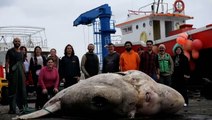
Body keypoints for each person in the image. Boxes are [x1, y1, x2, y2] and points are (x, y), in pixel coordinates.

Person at [5, 38, 28, 114]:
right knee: (12, 90)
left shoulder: (22, 53)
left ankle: (23, 108)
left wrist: (25, 74)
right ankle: (12, 109)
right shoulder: (10, 51)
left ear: (20, 43)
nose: (17, 42)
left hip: (21, 73)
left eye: (19, 41)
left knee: (22, 90)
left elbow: (22, 63)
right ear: (13, 42)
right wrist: (7, 73)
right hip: (13, 73)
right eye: (16, 41)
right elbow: (7, 63)